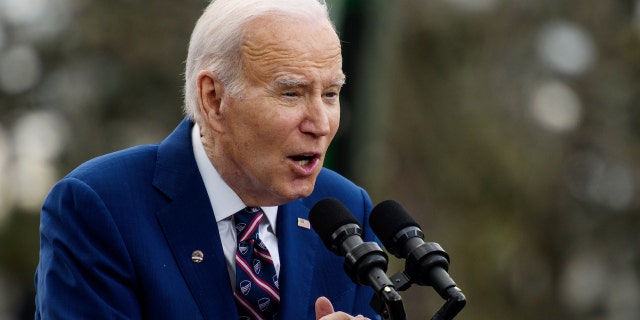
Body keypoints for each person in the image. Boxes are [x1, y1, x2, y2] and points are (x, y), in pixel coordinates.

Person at [34, 0, 381, 319]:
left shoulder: (348, 211)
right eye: (291, 93)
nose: (320, 124)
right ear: (213, 99)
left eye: (331, 94)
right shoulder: (98, 206)